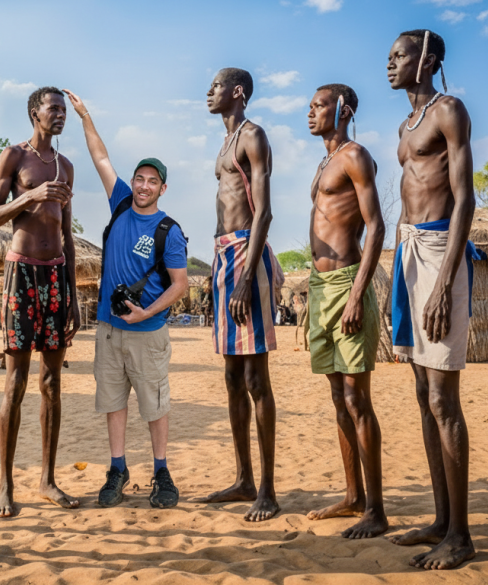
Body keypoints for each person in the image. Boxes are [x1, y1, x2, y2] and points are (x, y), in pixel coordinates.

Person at [64, 89, 188, 509]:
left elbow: (179, 284)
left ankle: (161, 471)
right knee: (113, 402)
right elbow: (100, 157)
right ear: (132, 182)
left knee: (154, 406)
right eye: (139, 178)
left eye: (152, 181)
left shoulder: (169, 231)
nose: (144, 186)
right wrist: (85, 116)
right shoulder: (119, 203)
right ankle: (117, 469)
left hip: (148, 332)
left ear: (162, 188)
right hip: (108, 329)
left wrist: (146, 312)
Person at [385, 29, 478, 570]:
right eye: (389, 57)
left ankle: (461, 536)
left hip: (442, 249)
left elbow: (465, 197)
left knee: (443, 398)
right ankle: (442, 521)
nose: (391, 64)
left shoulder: (449, 110)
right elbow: (408, 198)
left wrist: (444, 282)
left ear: (428, 60)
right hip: (409, 251)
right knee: (423, 392)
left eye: (399, 55)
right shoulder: (405, 126)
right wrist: (397, 273)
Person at [0, 86, 81, 517]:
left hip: (56, 275)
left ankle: (47, 480)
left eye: (64, 110)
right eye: (53, 108)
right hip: (21, 272)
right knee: (16, 382)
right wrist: (30, 196)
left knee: (52, 384)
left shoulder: (66, 166)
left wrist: (72, 294)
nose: (60, 115)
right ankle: (5, 485)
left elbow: (67, 233)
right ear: (34, 113)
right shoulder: (14, 157)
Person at [196, 68, 285, 523]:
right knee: (232, 377)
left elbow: (264, 212)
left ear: (236, 92)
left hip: (247, 255)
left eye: (214, 86)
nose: (207, 92)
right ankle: (244, 479)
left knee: (255, 378)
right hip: (222, 256)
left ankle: (267, 490)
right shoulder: (225, 144)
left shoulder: (253, 136)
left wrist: (248, 277)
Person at [304, 84, 389, 539]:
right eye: (310, 106)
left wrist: (357, 294)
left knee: (357, 399)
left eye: (319, 106)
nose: (311, 112)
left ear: (343, 110)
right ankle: (353, 496)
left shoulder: (355, 156)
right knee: (338, 398)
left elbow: (376, 227)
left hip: (346, 283)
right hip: (320, 288)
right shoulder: (324, 163)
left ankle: (376, 509)